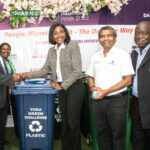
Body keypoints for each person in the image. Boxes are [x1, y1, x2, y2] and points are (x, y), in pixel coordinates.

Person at [20, 23, 85, 150]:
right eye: (55, 33)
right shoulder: (52, 51)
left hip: (75, 87)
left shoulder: (73, 46)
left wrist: (63, 85)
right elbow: (44, 70)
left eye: (61, 31)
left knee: (73, 123)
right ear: (52, 36)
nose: (59, 35)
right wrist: (25, 75)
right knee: (65, 123)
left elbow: (77, 71)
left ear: (65, 33)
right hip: (60, 88)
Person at [86, 26, 134, 150]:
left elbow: (128, 80)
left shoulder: (123, 55)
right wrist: (92, 87)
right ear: (99, 39)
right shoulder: (95, 56)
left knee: (118, 136)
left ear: (115, 38)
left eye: (108, 35)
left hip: (117, 102)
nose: (105, 38)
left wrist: (105, 92)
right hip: (99, 102)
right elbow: (90, 76)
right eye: (102, 36)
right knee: (102, 135)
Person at [131, 21, 150, 150]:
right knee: (137, 137)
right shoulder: (134, 54)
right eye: (137, 33)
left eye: (144, 33)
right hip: (136, 103)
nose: (140, 36)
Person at [0, 48, 21, 150]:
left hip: (4, 97)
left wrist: (11, 83)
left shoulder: (5, 61)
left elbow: (6, 76)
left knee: (2, 122)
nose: (6, 51)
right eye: (3, 49)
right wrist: (12, 78)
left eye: (8, 49)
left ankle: (2, 141)